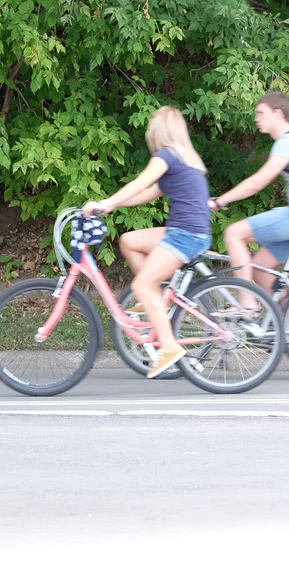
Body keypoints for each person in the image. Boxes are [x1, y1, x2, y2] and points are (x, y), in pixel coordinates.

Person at [82, 106, 211, 378]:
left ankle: (169, 346)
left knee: (141, 284)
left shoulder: (166, 157)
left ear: (159, 132)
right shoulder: (184, 158)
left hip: (184, 234)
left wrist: (106, 201)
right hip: (185, 230)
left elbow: (139, 183)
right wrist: (112, 207)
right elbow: (147, 194)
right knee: (129, 240)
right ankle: (157, 300)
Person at [208, 92, 289, 333]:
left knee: (234, 233)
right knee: (259, 269)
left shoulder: (288, 141)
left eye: (260, 113)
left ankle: (246, 305)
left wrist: (219, 201)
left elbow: (258, 183)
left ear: (278, 114)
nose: (256, 118)